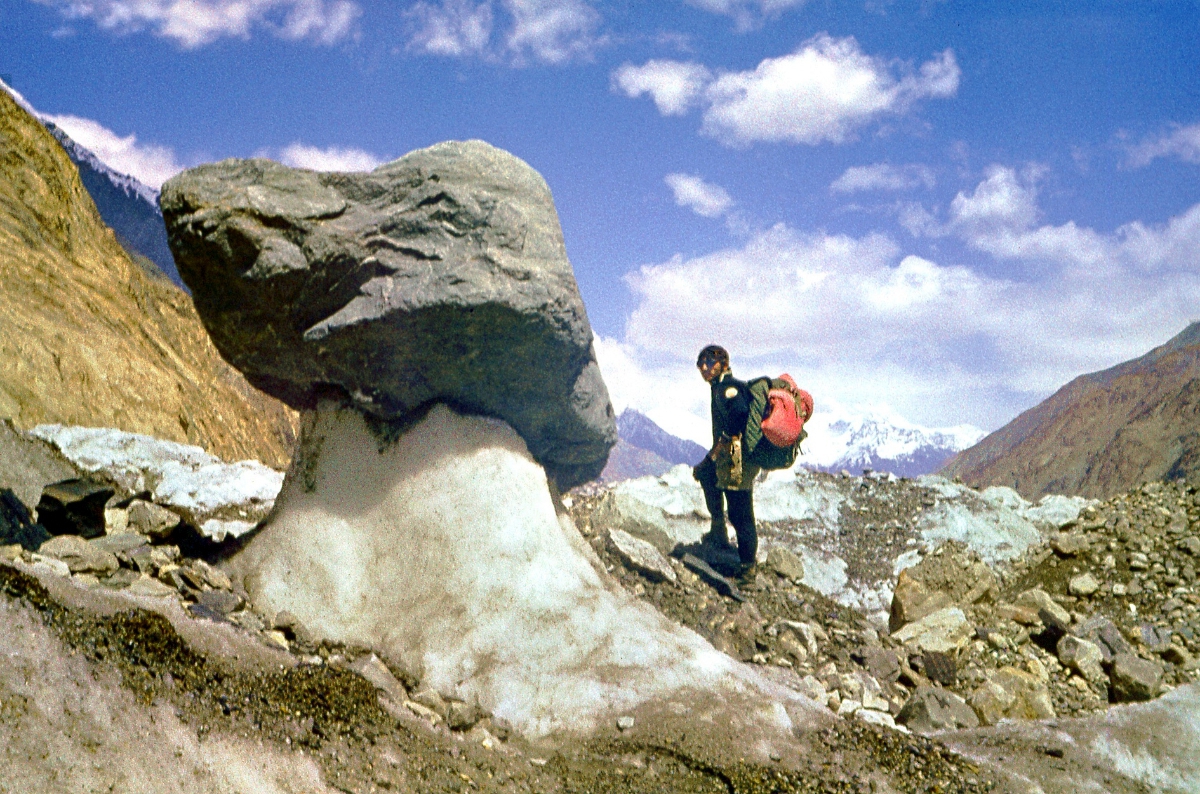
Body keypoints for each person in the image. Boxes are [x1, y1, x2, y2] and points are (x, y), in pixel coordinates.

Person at [692, 344, 760, 578]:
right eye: (700, 363)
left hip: (737, 457)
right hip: (730, 455)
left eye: (709, 362)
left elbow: (739, 413)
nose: (703, 367)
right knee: (706, 474)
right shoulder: (718, 387)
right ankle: (718, 530)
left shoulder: (727, 388)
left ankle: (748, 569)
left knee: (740, 512)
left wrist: (724, 442)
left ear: (723, 364)